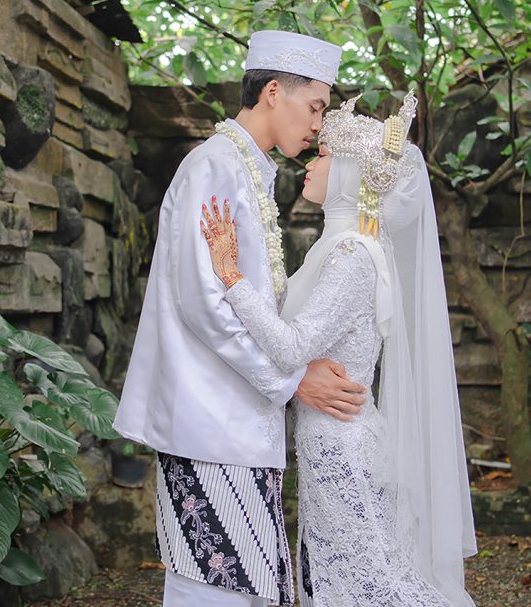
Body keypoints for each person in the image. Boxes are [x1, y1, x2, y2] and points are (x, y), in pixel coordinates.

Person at [113, 30, 367, 607]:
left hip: (243, 421)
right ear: (274, 92)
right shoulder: (214, 167)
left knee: (249, 589)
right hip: (208, 421)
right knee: (210, 590)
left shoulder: (249, 167)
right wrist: (293, 380)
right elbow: (202, 301)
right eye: (315, 107)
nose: (319, 125)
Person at [202, 92, 477, 607]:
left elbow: (292, 347)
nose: (311, 162)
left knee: (377, 588)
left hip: (344, 449)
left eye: (325, 155)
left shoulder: (351, 256)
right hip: (332, 442)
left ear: (352, 173)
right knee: (348, 586)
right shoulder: (337, 248)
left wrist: (231, 277)